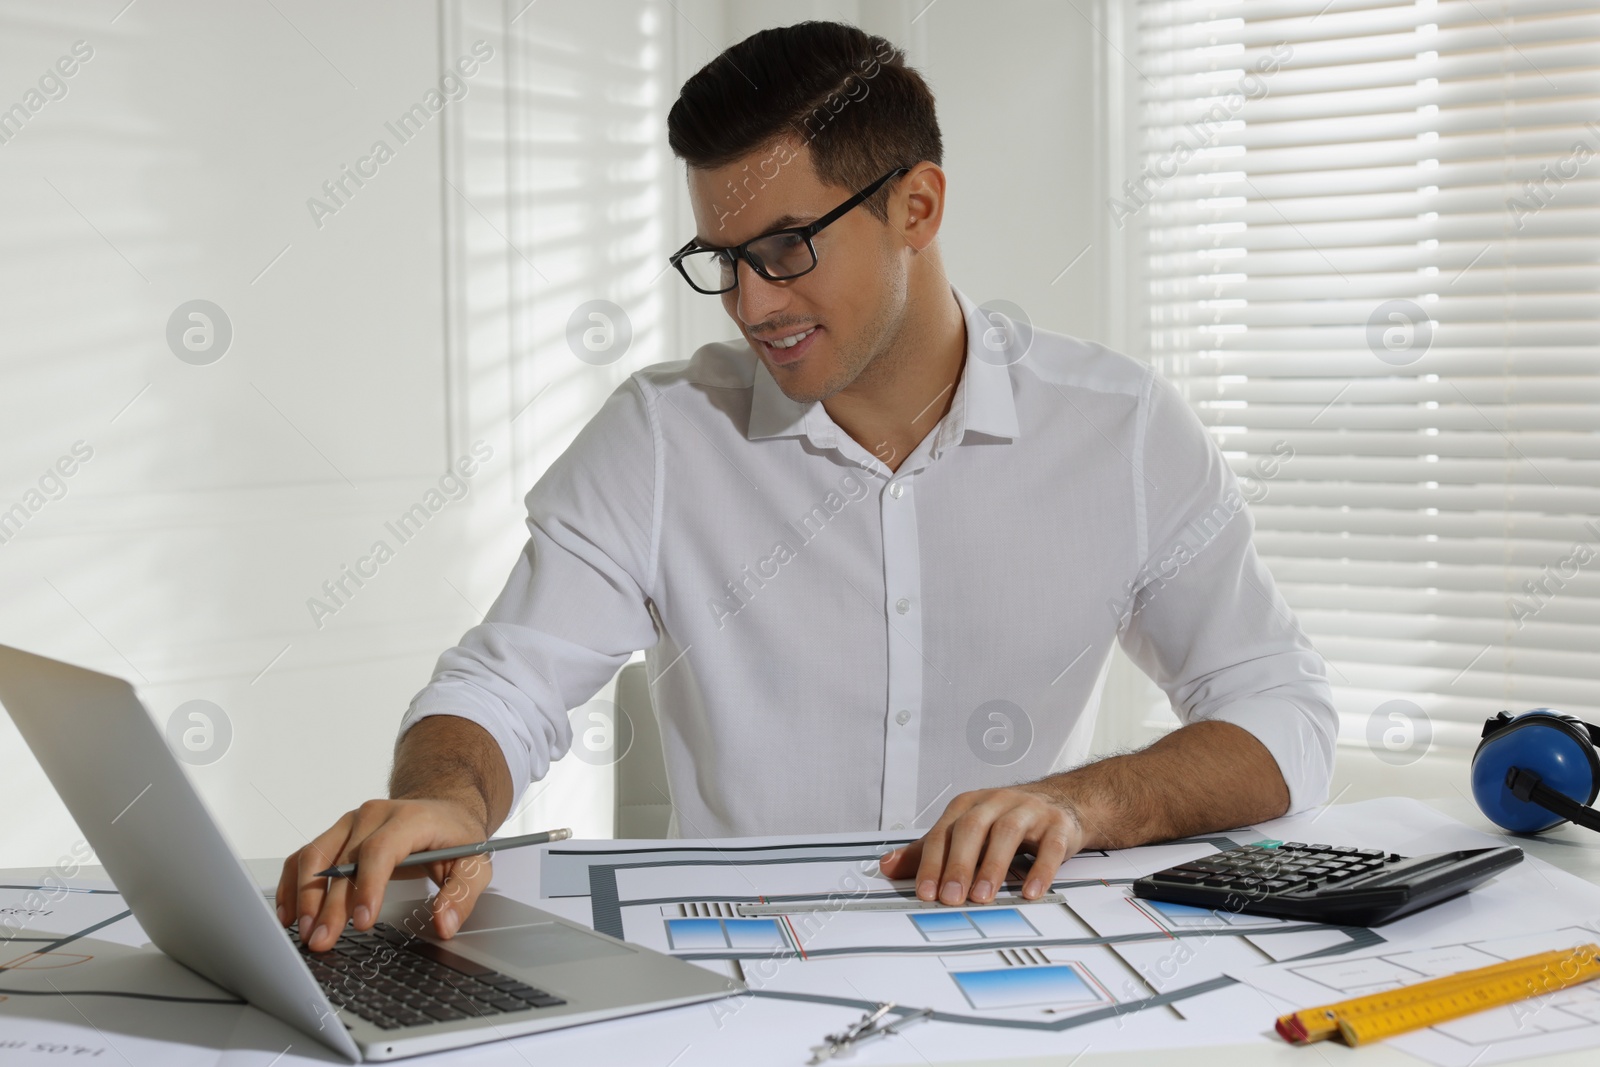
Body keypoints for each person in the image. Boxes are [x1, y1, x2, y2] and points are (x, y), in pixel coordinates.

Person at [278, 20, 1337, 954]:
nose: (749, 302)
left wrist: (1082, 801)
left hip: (1013, 966)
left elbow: (1280, 709)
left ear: (915, 205)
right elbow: (499, 686)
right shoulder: (658, 439)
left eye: (785, 249)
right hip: (734, 976)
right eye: (722, 258)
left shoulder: (1118, 430)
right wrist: (439, 799)